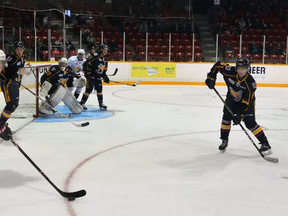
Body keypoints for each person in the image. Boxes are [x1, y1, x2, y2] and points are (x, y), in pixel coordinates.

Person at [205, 58, 272, 155]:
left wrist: (240, 114)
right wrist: (211, 77)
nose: (241, 71)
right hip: (231, 99)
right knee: (226, 118)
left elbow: (246, 101)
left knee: (250, 123)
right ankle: (224, 140)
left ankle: (265, 143)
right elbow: (218, 64)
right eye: (239, 68)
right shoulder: (229, 71)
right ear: (236, 67)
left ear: (248, 68)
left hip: (247, 103)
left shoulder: (250, 83)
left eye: (244, 68)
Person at [0, 42, 26, 140]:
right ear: (15, 49)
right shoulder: (10, 59)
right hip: (8, 85)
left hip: (15, 86)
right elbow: (2, 73)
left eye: (21, 49)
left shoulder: (23, 58)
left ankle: (2, 122)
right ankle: (1, 124)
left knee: (14, 105)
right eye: (18, 49)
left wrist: (18, 81)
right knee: (11, 105)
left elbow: (19, 72)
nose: (19, 51)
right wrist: (8, 81)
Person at [80, 44, 110, 110]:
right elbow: (86, 64)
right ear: (100, 50)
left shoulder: (105, 60)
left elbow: (104, 70)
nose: (105, 51)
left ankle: (101, 103)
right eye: (104, 50)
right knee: (89, 89)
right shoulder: (95, 56)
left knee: (99, 90)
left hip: (98, 77)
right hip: (91, 77)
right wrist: (88, 74)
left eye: (106, 50)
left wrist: (105, 76)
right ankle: (82, 103)